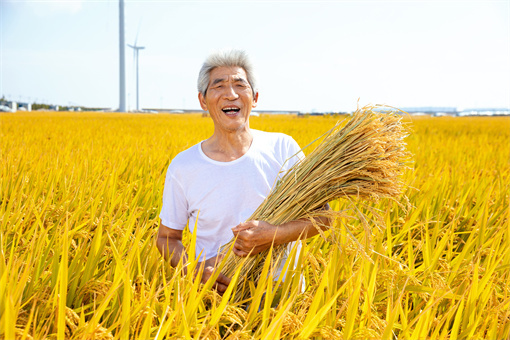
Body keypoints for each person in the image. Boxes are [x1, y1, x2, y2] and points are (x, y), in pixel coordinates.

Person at [156, 49, 330, 294]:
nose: (231, 94)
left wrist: (274, 235)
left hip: (282, 298)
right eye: (219, 86)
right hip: (214, 301)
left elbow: (324, 217)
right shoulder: (184, 166)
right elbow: (166, 238)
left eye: (240, 85)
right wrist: (191, 269)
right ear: (203, 100)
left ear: (255, 97)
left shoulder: (284, 149)